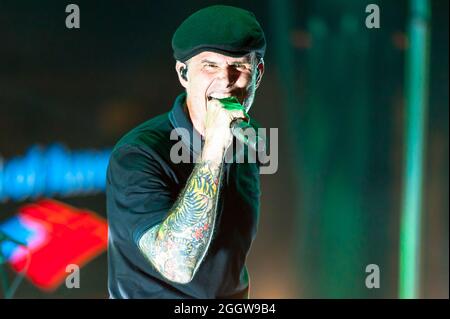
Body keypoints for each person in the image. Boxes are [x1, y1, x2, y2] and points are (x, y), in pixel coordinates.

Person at [106, 5, 266, 299]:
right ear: (183, 73)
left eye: (239, 67)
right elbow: (177, 265)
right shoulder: (138, 154)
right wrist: (214, 149)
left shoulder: (248, 140)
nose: (225, 80)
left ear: (257, 74)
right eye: (210, 66)